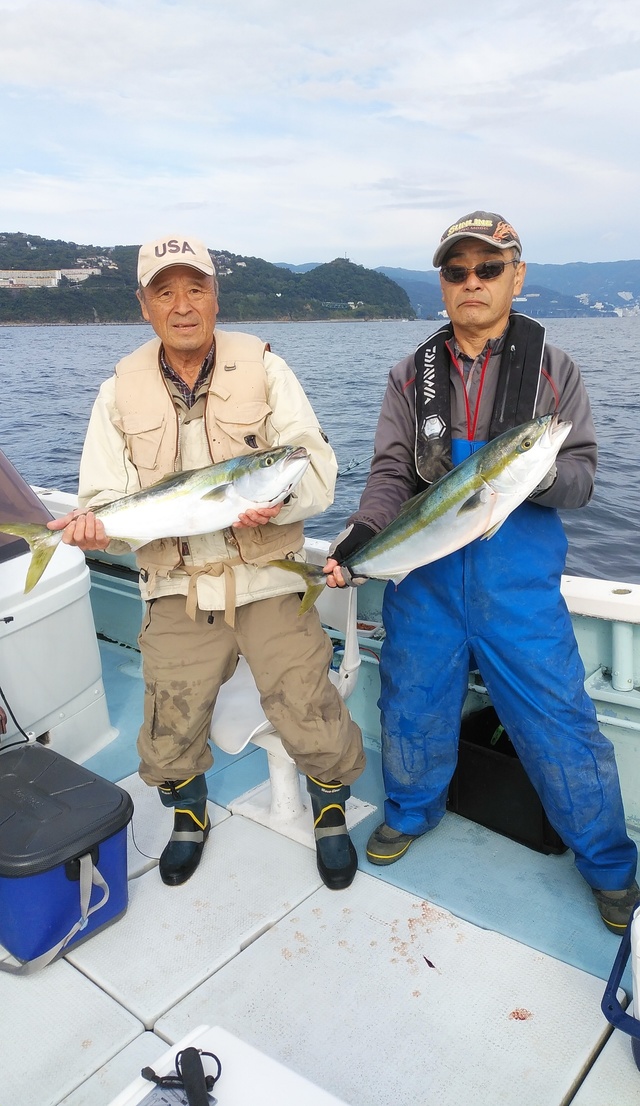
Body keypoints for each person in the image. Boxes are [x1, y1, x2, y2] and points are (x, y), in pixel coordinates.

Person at [325, 210, 639, 934]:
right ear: (442, 282)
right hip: (426, 585)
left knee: (562, 726)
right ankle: (409, 812)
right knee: (411, 706)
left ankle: (609, 866)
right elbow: (389, 476)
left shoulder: (555, 372)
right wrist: (359, 540)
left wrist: (532, 478)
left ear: (517, 276)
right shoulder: (410, 375)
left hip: (517, 592)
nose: (472, 282)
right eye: (457, 270)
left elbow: (584, 478)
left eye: (489, 268)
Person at [49, 234, 364, 890]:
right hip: (177, 583)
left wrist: (272, 509)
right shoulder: (117, 394)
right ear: (144, 305)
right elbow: (105, 503)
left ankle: (329, 809)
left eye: (196, 287)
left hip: (270, 575)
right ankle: (188, 815)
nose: (183, 304)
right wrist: (90, 529)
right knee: (169, 722)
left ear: (217, 296)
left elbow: (317, 472)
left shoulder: (268, 370)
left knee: (309, 702)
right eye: (165, 291)